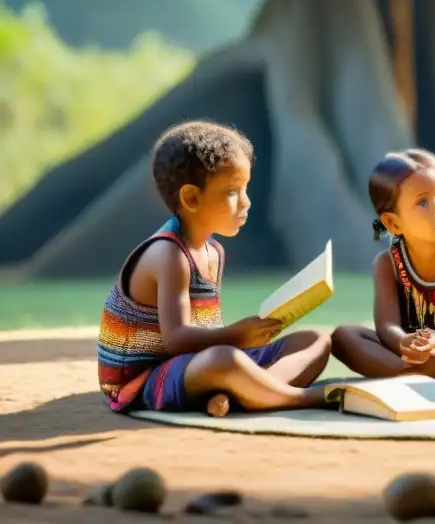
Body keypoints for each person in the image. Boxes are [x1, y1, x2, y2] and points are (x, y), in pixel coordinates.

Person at [98, 120, 332, 417]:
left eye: (245, 188)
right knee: (225, 360)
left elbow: (202, 332)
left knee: (315, 340)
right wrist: (236, 335)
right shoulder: (169, 255)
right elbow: (176, 340)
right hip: (143, 381)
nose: (246, 202)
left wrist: (249, 335)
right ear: (192, 198)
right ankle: (296, 398)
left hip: (193, 367)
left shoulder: (213, 253)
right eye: (233, 191)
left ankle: (241, 394)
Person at [330, 149, 435, 392]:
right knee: (343, 336)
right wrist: (403, 342)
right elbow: (386, 326)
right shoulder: (387, 264)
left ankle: (408, 378)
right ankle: (432, 376)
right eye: (422, 202)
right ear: (393, 223)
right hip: (408, 354)